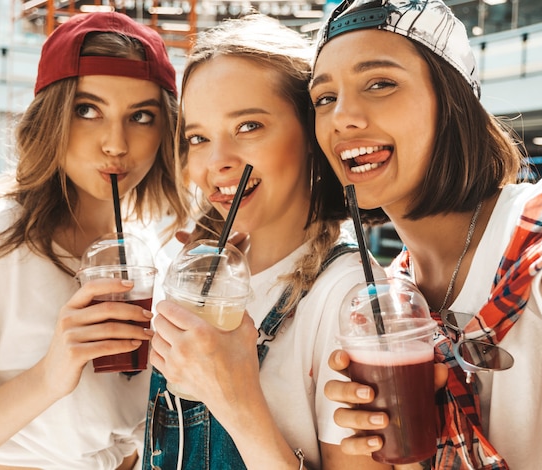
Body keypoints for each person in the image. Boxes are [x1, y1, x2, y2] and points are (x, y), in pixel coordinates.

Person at [309, 0, 542, 468]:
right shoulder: (393, 294)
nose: (343, 117)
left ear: (452, 101)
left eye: (380, 83)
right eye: (324, 98)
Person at [141, 13, 390, 470]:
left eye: (248, 127)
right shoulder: (200, 274)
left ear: (312, 133)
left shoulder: (350, 299)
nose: (216, 162)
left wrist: (237, 402)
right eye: (197, 138)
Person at [0, 12, 188, 469]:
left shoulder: (151, 251)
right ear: (51, 118)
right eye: (87, 110)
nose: (115, 143)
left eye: (141, 116)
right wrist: (50, 375)